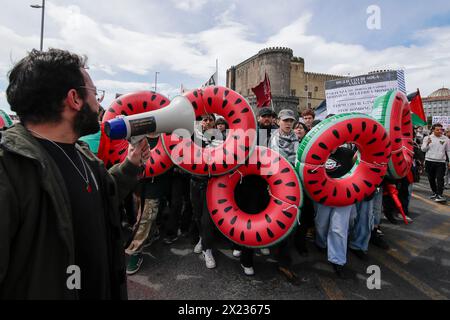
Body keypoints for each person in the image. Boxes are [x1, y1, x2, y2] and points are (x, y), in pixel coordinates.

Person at [0, 49, 150, 300]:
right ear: (74, 99)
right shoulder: (9, 168)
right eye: (94, 93)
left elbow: (101, 196)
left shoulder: (81, 154)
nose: (98, 102)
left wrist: (131, 164)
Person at [191, 113, 220, 269]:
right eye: (205, 120)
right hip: (195, 181)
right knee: (196, 215)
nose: (208, 122)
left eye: (210, 120)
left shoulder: (221, 137)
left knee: (207, 219)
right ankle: (202, 239)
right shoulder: (194, 135)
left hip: (212, 183)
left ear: (214, 122)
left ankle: (208, 250)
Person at [421, 123, 450, 203]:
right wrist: (427, 143)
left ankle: (440, 195)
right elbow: (423, 149)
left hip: (440, 162)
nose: (440, 131)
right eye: (437, 130)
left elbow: (448, 151)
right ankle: (434, 192)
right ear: (433, 130)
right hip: (429, 161)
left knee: (440, 178)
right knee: (431, 178)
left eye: (441, 129)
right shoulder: (427, 138)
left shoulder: (446, 139)